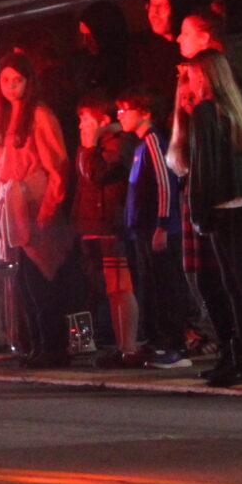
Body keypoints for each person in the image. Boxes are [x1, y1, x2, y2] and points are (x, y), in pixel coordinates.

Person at [171, 49, 242, 385]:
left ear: (206, 76)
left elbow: (204, 168)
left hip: (224, 205)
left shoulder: (205, 112)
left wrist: (199, 213)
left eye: (194, 75)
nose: (191, 81)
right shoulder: (235, 109)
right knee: (240, 284)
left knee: (233, 284)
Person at [0, 51, 80, 365]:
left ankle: (54, 347)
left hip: (34, 203)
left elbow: (57, 165)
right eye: (6, 81)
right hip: (12, 206)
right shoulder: (2, 117)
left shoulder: (39, 114)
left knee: (42, 277)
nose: (12, 87)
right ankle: (36, 344)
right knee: (23, 280)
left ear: (29, 82)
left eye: (18, 80)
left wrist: (48, 207)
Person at [116, 85, 190, 364]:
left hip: (157, 230)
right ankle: (157, 342)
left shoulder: (153, 142)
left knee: (167, 286)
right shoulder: (139, 145)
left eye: (126, 110)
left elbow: (165, 185)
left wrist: (162, 224)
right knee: (152, 286)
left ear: (144, 112)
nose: (120, 115)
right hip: (143, 231)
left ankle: (177, 344)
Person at [73, 91, 140, 365]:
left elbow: (99, 175)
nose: (80, 125)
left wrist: (89, 148)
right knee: (107, 288)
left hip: (111, 225)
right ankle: (117, 345)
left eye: (85, 119)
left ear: (102, 119)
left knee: (120, 287)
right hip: (93, 225)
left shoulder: (117, 142)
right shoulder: (94, 144)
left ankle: (128, 347)